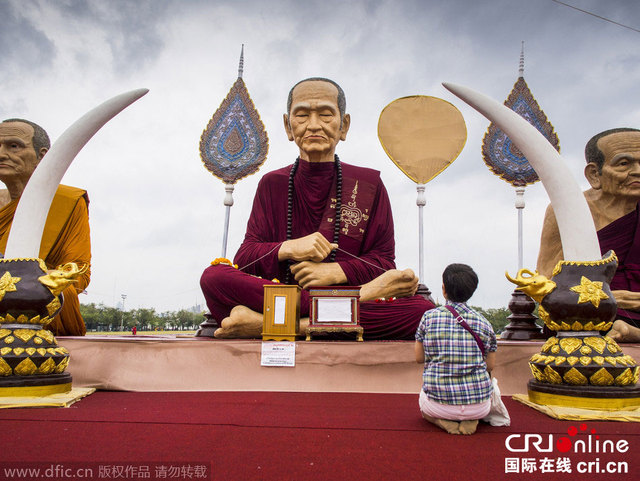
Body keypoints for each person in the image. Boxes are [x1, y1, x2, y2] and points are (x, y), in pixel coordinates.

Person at [200, 77, 434, 339]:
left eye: (325, 114)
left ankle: (265, 324)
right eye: (301, 115)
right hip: (296, 293)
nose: (313, 125)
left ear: (343, 125)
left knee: (421, 313)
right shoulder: (272, 184)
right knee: (213, 277)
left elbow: (383, 264)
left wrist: (334, 272)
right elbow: (245, 259)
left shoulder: (368, 184)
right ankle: (341, 307)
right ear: (288, 127)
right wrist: (288, 247)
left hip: (284, 304)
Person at [537, 128, 640, 342]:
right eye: (624, 164)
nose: (637, 171)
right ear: (595, 174)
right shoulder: (568, 210)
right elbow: (544, 284)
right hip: (592, 311)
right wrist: (607, 296)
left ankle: (632, 333)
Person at [0, 118, 91, 336]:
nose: (2, 154)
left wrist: (35, 281)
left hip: (38, 312)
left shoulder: (67, 201)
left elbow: (79, 271)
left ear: (43, 156)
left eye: (13, 146)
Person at [415, 263, 497, 435]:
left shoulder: (429, 317)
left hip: (439, 404)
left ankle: (440, 420)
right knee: (490, 387)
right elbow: (490, 366)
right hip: (479, 406)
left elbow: (419, 358)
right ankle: (471, 418)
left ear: (443, 289)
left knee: (423, 404)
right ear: (472, 290)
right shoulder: (484, 323)